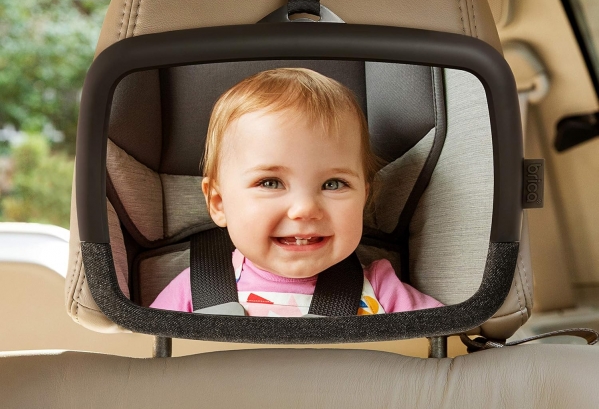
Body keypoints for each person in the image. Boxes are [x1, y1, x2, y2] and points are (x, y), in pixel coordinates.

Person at [151, 68, 442, 316]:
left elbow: (451, 349)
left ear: (363, 199)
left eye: (333, 184)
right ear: (219, 203)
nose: (305, 208)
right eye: (270, 182)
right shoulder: (195, 291)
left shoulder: (382, 291)